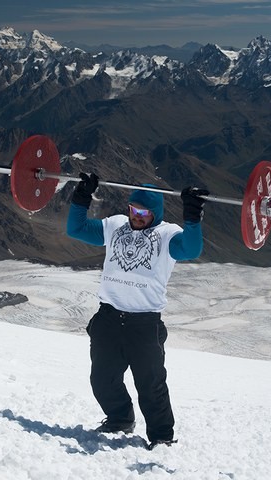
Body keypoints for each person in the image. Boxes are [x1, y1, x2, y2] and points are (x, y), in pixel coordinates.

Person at [66, 172, 208, 450]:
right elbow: (76, 229)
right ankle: (120, 418)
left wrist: (192, 215)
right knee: (102, 379)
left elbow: (191, 249)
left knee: (151, 385)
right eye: (133, 209)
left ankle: (161, 436)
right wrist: (81, 197)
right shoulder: (115, 226)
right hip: (108, 318)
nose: (136, 216)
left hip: (144, 325)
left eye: (142, 212)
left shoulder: (168, 235)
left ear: (154, 212)